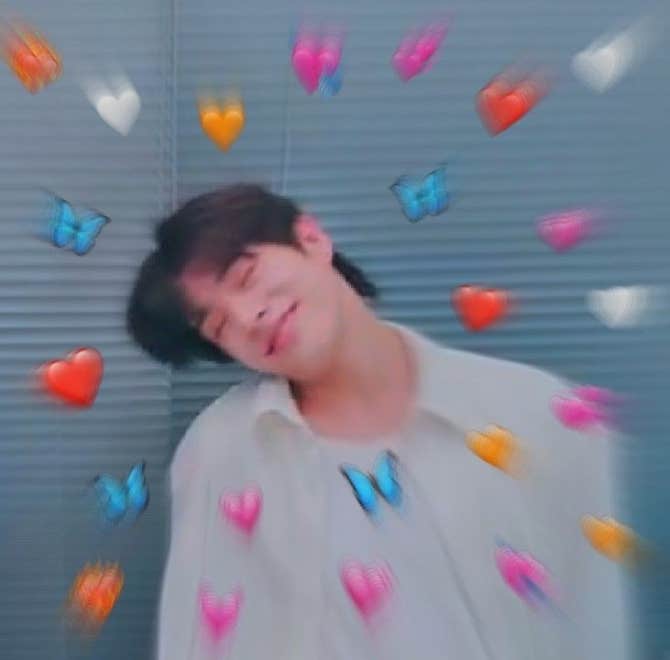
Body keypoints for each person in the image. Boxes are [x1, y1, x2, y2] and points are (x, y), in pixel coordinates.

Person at [126, 183, 632, 660]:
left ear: (311, 238)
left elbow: (596, 621)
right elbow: (195, 642)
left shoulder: (536, 411)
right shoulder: (221, 449)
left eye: (246, 277)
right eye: (219, 326)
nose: (247, 317)